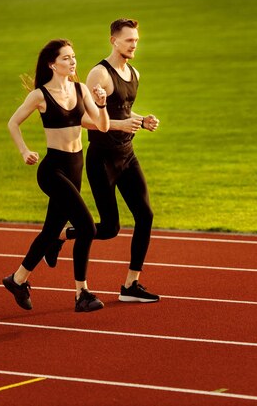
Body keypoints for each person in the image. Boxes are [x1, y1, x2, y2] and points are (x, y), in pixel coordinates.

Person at [45, 19, 160, 303]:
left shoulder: (134, 73)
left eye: (136, 40)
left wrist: (142, 121)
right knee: (109, 228)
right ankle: (61, 236)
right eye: (129, 40)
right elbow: (86, 120)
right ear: (113, 41)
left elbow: (122, 112)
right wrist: (121, 126)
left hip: (127, 156)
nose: (134, 45)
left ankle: (131, 285)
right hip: (102, 160)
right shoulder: (99, 74)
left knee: (145, 216)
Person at [3, 39, 110, 312]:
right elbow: (13, 122)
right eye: (66, 58)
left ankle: (17, 279)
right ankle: (81, 293)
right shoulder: (40, 95)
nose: (72, 62)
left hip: (76, 166)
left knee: (50, 231)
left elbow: (102, 125)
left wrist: (102, 103)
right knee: (87, 227)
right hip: (52, 170)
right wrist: (24, 150)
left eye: (74, 57)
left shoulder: (80, 89)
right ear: (53, 64)